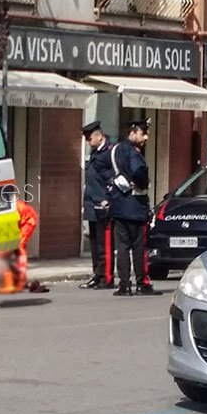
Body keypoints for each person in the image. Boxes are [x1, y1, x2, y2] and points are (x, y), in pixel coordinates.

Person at [108, 119, 160, 296]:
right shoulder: (134, 153)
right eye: (143, 133)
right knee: (139, 247)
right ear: (133, 133)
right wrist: (143, 183)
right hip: (135, 206)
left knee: (122, 248)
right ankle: (142, 283)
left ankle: (124, 284)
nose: (146, 137)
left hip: (119, 205)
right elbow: (139, 172)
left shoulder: (116, 150)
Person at [79, 120, 116, 289]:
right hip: (91, 203)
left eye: (89, 138)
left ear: (99, 136)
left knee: (104, 243)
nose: (87, 142)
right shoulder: (95, 153)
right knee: (94, 243)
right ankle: (97, 274)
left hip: (103, 205)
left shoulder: (109, 153)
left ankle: (106, 277)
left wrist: (107, 198)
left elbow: (112, 179)